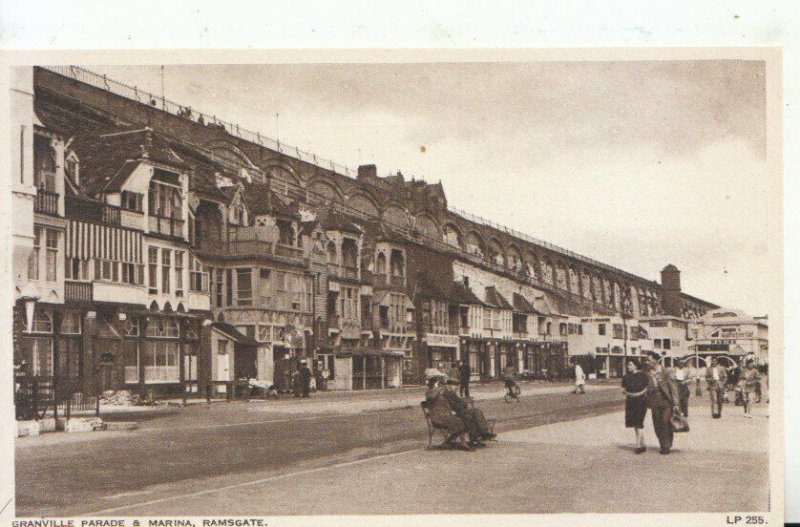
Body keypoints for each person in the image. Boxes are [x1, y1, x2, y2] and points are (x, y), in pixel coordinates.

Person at [643, 351, 681, 455]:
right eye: (647, 360)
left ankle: (666, 445)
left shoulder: (666, 372)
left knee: (665, 421)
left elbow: (673, 388)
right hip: (654, 401)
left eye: (649, 360)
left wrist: (676, 404)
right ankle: (663, 443)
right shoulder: (647, 374)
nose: (647, 362)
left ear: (655, 360)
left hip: (666, 401)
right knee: (657, 424)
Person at [425, 375, 472, 451]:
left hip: (445, 416)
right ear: (433, 384)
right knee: (459, 421)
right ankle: (463, 444)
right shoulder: (429, 392)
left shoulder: (440, 393)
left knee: (461, 420)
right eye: (438, 384)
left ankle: (449, 441)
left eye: (441, 384)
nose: (441, 386)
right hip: (437, 418)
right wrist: (438, 392)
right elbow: (430, 398)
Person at [621, 359, 649, 454]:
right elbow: (624, 389)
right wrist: (628, 393)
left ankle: (638, 445)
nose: (628, 366)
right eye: (627, 365)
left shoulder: (643, 376)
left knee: (639, 421)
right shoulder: (626, 377)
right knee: (635, 423)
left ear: (636, 365)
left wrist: (638, 394)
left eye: (630, 364)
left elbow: (647, 388)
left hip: (641, 401)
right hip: (630, 401)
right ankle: (643, 444)